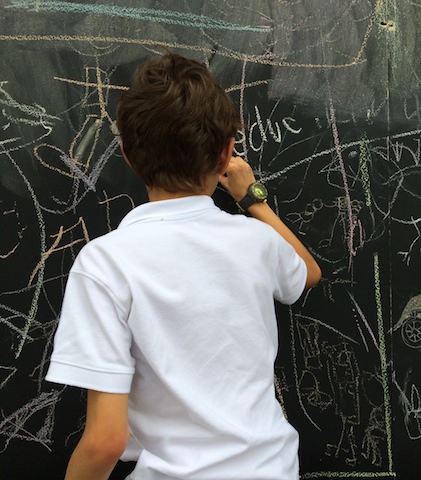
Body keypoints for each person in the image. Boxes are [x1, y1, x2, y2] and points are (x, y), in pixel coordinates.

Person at [45, 51, 322, 480]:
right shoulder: (255, 241)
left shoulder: (105, 263)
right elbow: (308, 273)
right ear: (226, 152)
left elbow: (104, 441)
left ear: (127, 154)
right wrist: (251, 199)